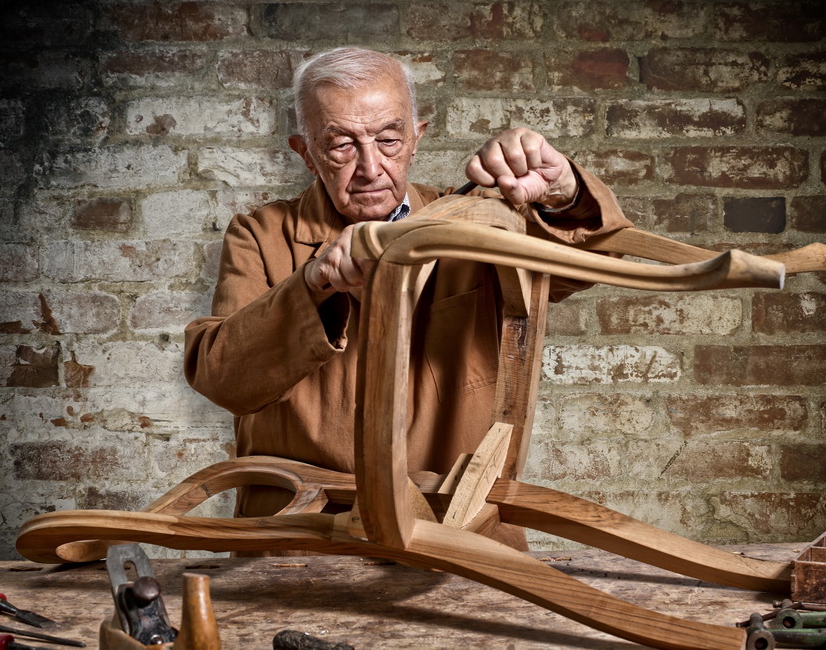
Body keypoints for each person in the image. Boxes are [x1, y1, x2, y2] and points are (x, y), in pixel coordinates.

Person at [183, 47, 631, 549]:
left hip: (459, 532)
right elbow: (223, 378)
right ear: (305, 152)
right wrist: (313, 284)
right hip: (299, 537)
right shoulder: (260, 235)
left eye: (388, 140)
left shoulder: (476, 223)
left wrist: (563, 192)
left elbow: (591, 259)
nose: (370, 167)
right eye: (341, 145)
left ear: (416, 138)